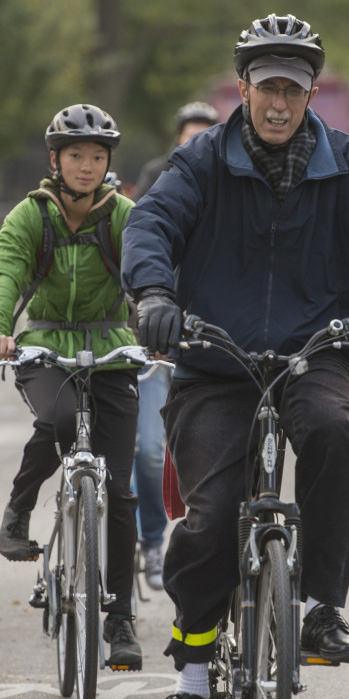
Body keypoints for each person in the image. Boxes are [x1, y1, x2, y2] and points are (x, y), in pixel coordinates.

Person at [123, 13, 349, 699]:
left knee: (333, 433)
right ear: (242, 90)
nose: (280, 103)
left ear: (311, 91)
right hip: (214, 358)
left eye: (293, 88)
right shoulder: (199, 162)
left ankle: (319, 607)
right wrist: (155, 296)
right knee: (213, 514)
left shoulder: (348, 163)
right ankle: (191, 684)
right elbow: (151, 224)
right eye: (267, 88)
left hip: (314, 350)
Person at [0, 103, 144, 671]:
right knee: (60, 419)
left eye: (98, 156)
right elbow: (6, 269)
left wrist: (165, 320)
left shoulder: (122, 214)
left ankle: (120, 617)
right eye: (76, 155)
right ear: (56, 159)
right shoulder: (33, 215)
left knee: (120, 493)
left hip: (112, 349)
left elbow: (152, 269)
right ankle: (18, 512)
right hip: (46, 345)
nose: (87, 165)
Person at [127, 101, 219, 593]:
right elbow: (140, 245)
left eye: (206, 134)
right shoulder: (159, 183)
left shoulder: (230, 185)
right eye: (189, 136)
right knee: (146, 451)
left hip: (209, 339)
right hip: (157, 339)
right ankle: (152, 542)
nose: (197, 144)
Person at [132, 101, 221, 198]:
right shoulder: (156, 172)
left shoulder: (223, 173)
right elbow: (139, 208)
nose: (198, 143)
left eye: (204, 137)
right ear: (179, 138)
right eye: (192, 137)